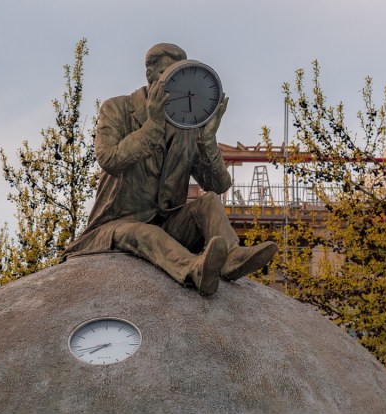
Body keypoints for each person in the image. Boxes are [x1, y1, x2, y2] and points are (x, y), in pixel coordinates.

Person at [63, 42, 276, 295]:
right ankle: (194, 269)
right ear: (151, 75)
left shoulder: (186, 124)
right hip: (117, 225)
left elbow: (218, 186)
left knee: (208, 201)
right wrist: (152, 127)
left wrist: (207, 139)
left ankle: (232, 257)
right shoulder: (117, 109)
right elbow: (109, 159)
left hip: (169, 225)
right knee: (147, 234)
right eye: (167, 76)